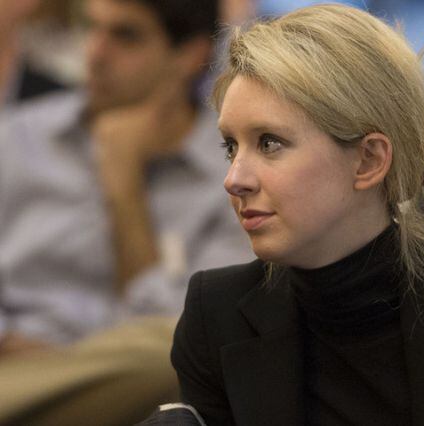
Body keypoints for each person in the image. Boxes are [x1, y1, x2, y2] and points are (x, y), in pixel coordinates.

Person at [170, 4, 424, 424]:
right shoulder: (216, 315)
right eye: (231, 146)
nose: (234, 179)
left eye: (270, 143)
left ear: (369, 160)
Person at [0, 0, 252, 422]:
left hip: (134, 395)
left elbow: (182, 344)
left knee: (167, 358)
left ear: (188, 55)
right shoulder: (18, 138)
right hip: (14, 366)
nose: (95, 53)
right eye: (92, 29)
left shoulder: (233, 179)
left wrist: (124, 186)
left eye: (125, 36)